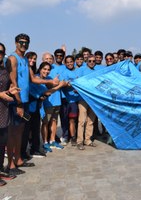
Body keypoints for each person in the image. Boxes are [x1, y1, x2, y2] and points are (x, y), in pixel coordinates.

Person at [6, 34, 59, 176]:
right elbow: (13, 83)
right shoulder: (13, 59)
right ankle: (10, 165)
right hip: (17, 102)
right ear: (16, 43)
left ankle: (18, 160)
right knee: (13, 133)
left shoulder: (24, 59)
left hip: (25, 101)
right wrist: (18, 103)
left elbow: (33, 79)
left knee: (20, 132)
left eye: (26, 43)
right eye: (21, 42)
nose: (24, 45)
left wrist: (50, 82)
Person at [0, 43, 19, 186]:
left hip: (4, 113)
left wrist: (11, 90)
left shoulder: (4, 70)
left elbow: (6, 89)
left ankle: (0, 171)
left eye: (1, 52)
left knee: (2, 144)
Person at [75, 55, 97, 150]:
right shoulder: (81, 70)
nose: (92, 62)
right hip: (83, 99)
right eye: (90, 61)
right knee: (82, 121)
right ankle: (79, 141)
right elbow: (75, 81)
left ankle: (88, 140)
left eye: (93, 61)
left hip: (92, 100)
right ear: (86, 61)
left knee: (91, 121)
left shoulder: (96, 72)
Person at [61, 55, 81, 146]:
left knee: (76, 119)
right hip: (68, 100)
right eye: (67, 62)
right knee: (70, 119)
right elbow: (63, 84)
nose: (69, 63)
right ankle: (72, 137)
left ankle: (75, 136)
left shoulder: (78, 71)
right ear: (65, 63)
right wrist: (69, 85)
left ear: (74, 62)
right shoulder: (64, 73)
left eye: (71, 61)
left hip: (77, 99)